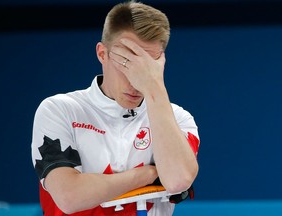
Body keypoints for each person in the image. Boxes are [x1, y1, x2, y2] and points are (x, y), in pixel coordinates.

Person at [31, 1, 200, 215]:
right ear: (103, 54)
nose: (136, 81)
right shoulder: (59, 110)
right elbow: (69, 197)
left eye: (148, 66)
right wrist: (149, 174)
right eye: (126, 63)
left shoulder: (179, 118)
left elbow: (177, 181)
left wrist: (154, 88)